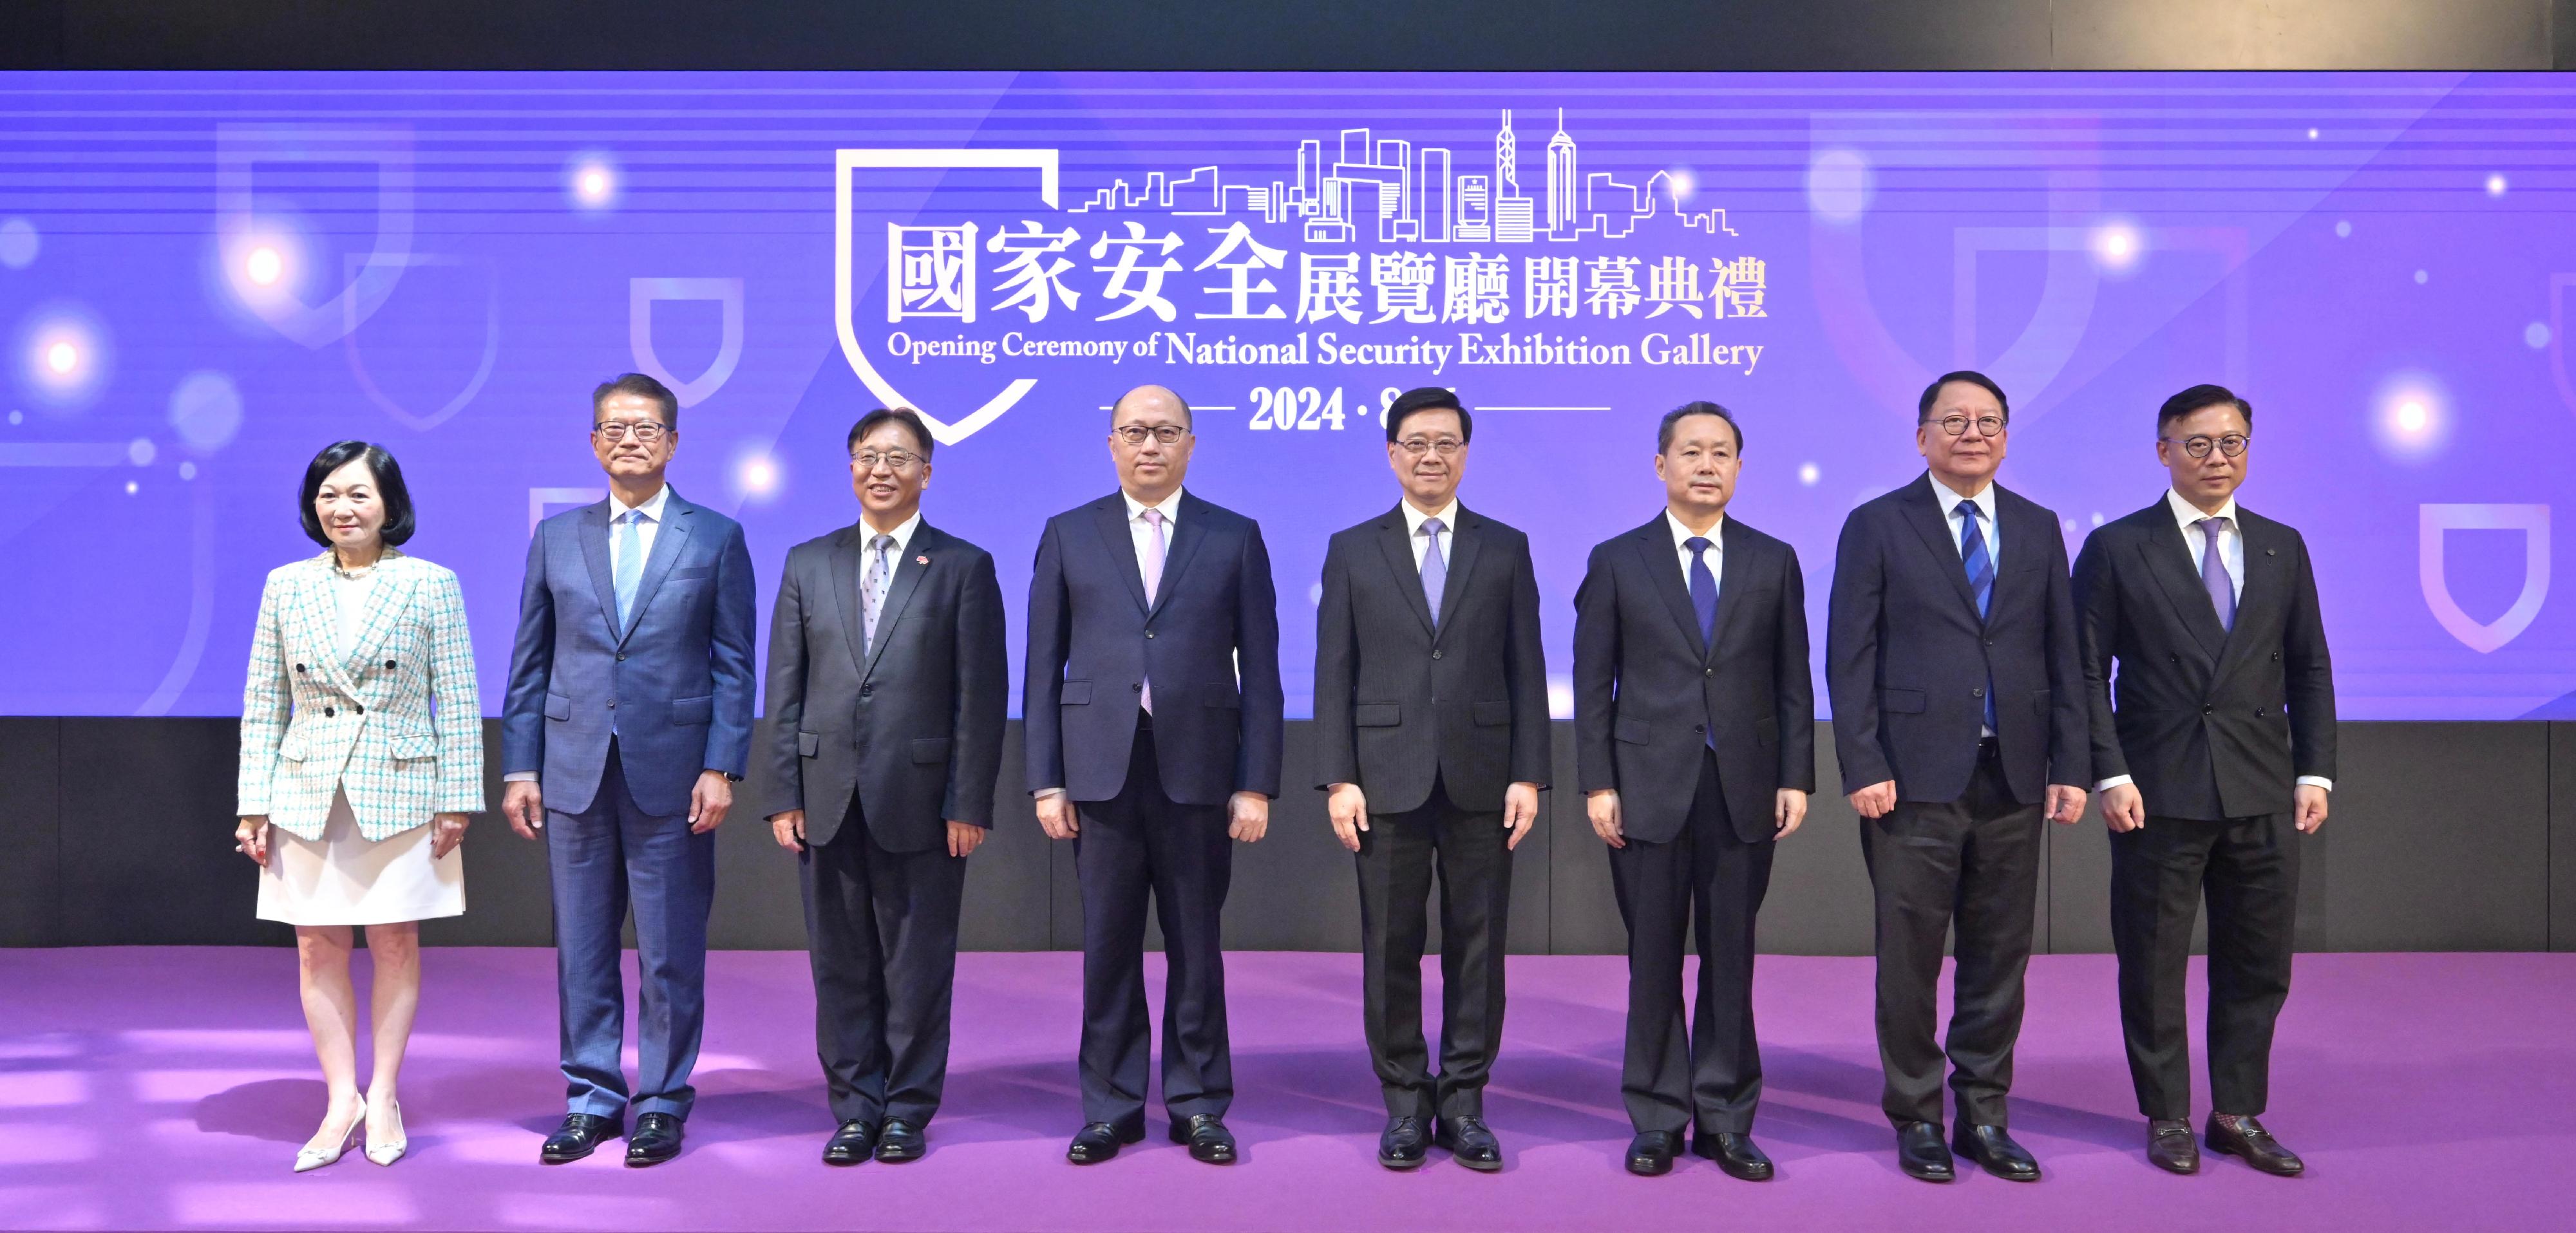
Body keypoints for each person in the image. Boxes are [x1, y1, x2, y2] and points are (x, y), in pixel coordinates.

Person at [1826, 370, 2088, 1183]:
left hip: (2011, 775)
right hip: (1910, 780)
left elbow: (2063, 655)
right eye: (1954, 421)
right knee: (1909, 957)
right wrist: (1862, 761)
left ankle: (1982, 1111)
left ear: (2005, 435)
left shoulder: (2039, 526)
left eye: (1988, 421)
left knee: (1998, 955)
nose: (1972, 434)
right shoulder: (1877, 524)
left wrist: (2070, 763)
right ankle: (1915, 1114)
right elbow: (1850, 654)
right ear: (1921, 436)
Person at [2074, 384, 2334, 1178]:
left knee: (2258, 959)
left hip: (2261, 785)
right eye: (2198, 444)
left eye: (2232, 443)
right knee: (2153, 960)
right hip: (2156, 788)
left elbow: (2308, 664)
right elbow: (2085, 671)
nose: (2217, 458)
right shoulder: (2119, 547)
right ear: (2163, 451)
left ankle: (2235, 1112)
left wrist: (2314, 769)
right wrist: (2107, 771)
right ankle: (2165, 1115)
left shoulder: (2279, 545)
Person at [501, 372, 756, 1167]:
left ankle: (662, 1101)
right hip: (574, 769)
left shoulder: (714, 537)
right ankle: (591, 1097)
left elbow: (734, 666)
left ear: (674, 442)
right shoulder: (557, 536)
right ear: (592, 442)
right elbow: (530, 663)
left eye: (645, 428)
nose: (629, 440)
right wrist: (520, 768)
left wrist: (722, 764)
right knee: (581, 945)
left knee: (671, 946)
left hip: (675, 773)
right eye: (613, 427)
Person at [1025, 384, 1283, 1166]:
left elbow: (1264, 674)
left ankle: (1199, 1103)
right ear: (1110, 443)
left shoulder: (1233, 537)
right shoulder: (1068, 534)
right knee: (1106, 946)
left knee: (1196, 945)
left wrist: (1257, 781)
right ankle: (1110, 1104)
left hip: (1201, 772)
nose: (1149, 445)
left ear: (1191, 444)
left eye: (1165, 432)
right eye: (1134, 432)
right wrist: (1045, 779)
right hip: (1098, 772)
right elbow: (1041, 668)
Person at [759, 408, 1008, 1166]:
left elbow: (980, 696)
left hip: (925, 802)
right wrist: (783, 791)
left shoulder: (963, 565)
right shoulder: (809, 562)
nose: (881, 470)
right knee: (840, 965)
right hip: (826, 794)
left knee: (918, 963)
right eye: (867, 455)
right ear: (849, 466)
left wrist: (968, 801)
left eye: (899, 458)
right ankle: (854, 1107)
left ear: (926, 472)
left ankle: (906, 1108)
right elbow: (787, 686)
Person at [1573, 403, 1814, 1180]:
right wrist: (1598, 782)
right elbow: (1592, 683)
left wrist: (1795, 777)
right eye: (1690, 452)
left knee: (1731, 956)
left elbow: (1791, 682)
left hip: (1743, 784)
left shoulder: (1773, 560)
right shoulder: (1617, 559)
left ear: (1740, 468)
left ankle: (1726, 1116)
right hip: (1645, 785)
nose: (1706, 465)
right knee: (1652, 959)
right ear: (1660, 466)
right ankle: (1654, 1114)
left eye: (1721, 453)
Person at [1312, 387, 1547, 1172]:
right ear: (1391, 453)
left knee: (1479, 948)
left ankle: (1467, 1103)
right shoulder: (1353, 548)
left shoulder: (1505, 546)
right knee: (1391, 946)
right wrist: (1338, 776)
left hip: (1484, 779)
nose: (1431, 456)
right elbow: (1333, 672)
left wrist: (1531, 776)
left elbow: (1526, 667)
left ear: (1466, 454)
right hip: (1384, 781)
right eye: (1415, 443)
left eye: (1446, 442)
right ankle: (1406, 1104)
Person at [236, 440, 481, 1172]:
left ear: (389, 504)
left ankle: (386, 1093)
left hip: (400, 787)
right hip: (306, 788)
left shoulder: (431, 583)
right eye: (328, 495)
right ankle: (341, 1098)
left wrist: (459, 797)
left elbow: (460, 696)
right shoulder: (286, 585)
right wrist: (254, 802)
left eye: (358, 495)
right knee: (316, 946)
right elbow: (263, 700)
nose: (342, 509)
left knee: (396, 944)